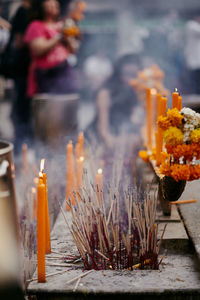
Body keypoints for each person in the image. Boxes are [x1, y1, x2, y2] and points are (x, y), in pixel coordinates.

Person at [24, 0, 79, 97]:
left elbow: (74, 49)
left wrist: (68, 37)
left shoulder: (63, 24)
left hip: (64, 70)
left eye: (55, 5)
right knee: (48, 103)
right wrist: (59, 36)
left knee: (67, 100)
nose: (52, 7)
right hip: (46, 73)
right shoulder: (35, 25)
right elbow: (38, 50)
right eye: (49, 5)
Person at [88, 54, 143, 148]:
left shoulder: (135, 91)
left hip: (121, 135)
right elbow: (103, 130)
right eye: (127, 74)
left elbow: (135, 120)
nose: (130, 80)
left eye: (134, 75)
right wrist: (113, 142)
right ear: (118, 74)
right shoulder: (105, 92)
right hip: (97, 140)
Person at [184, 15, 200, 94]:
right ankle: (196, 94)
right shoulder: (191, 25)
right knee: (195, 79)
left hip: (197, 59)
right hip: (194, 59)